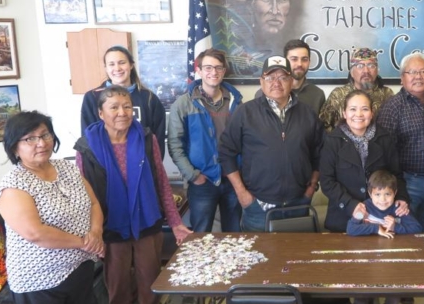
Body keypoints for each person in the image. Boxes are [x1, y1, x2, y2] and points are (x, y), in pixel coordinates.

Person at [74, 86, 191, 304]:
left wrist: (176, 222)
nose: (122, 112)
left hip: (147, 222)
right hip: (111, 227)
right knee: (118, 289)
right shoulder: (86, 146)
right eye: (114, 107)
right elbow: (82, 195)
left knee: (150, 284)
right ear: (100, 113)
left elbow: (161, 183)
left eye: (127, 106)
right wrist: (90, 233)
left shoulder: (147, 138)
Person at [0, 111, 104, 304]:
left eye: (45, 135)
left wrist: (96, 232)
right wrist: (84, 242)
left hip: (80, 268)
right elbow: (36, 233)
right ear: (14, 147)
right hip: (39, 282)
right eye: (30, 139)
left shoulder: (66, 167)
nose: (41, 143)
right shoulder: (14, 184)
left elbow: (93, 203)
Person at [219, 55, 323, 232]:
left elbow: (319, 153)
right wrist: (241, 193)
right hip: (258, 206)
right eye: (270, 77)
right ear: (261, 81)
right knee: (259, 259)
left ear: (291, 81)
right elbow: (226, 152)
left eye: (283, 77)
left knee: (296, 258)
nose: (276, 82)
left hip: (297, 204)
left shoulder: (308, 114)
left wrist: (311, 188)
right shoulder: (245, 112)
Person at [169, 48, 244, 234]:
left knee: (233, 234)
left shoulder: (236, 101)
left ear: (224, 71)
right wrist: (193, 176)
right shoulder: (183, 104)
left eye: (218, 68)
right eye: (208, 67)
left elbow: (245, 141)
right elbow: (175, 145)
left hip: (233, 179)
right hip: (202, 181)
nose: (214, 72)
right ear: (199, 71)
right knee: (200, 235)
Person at [377, 52, 424, 233]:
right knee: (407, 231)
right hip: (409, 182)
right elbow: (385, 150)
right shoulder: (392, 106)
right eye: (412, 72)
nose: (418, 76)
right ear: (402, 78)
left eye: (423, 71)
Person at [319, 90, 409, 232]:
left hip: (381, 218)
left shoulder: (384, 138)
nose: (359, 114)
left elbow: (396, 174)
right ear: (344, 113)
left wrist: (402, 198)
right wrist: (350, 204)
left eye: (365, 109)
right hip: (343, 217)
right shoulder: (332, 141)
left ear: (372, 113)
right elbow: (327, 181)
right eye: (353, 109)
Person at [347, 170, 422, 304]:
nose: (382, 200)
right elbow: (351, 229)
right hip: (366, 262)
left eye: (387, 194)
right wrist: (376, 228)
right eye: (377, 194)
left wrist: (396, 227)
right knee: (360, 296)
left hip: (392, 262)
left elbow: (417, 229)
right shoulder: (364, 208)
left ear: (395, 193)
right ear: (370, 193)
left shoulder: (399, 209)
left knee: (394, 296)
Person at [80, 45, 166, 159]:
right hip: (105, 167)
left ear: (131, 65)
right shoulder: (92, 97)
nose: (117, 68)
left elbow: (158, 140)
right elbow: (88, 138)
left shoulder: (149, 98)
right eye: (111, 64)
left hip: (142, 166)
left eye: (122, 62)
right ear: (106, 68)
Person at [320, 47, 394, 132]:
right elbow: (323, 126)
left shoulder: (387, 94)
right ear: (351, 72)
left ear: (377, 71)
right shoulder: (338, 95)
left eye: (371, 65)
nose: (366, 71)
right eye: (360, 66)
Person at [255, 39, 326, 115]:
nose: (299, 64)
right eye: (294, 59)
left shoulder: (318, 94)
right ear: (285, 62)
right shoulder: (264, 93)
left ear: (309, 62)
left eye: (304, 59)